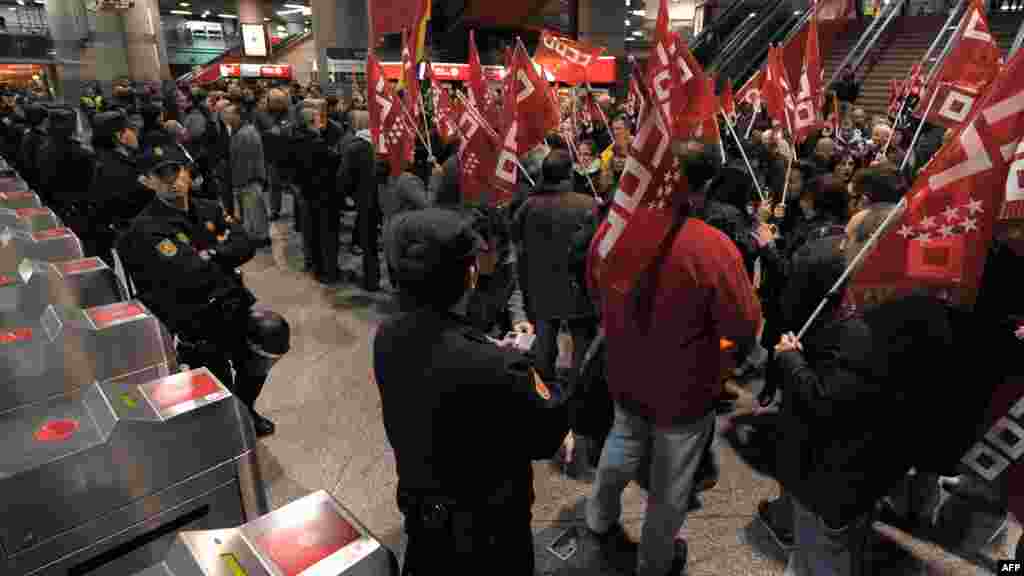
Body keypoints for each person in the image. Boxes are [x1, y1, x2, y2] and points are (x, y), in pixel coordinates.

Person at [585, 156, 762, 576]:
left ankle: (598, 516)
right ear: (701, 190)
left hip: (625, 369)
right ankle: (655, 562)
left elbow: (596, 292)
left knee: (622, 440)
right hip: (685, 387)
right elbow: (743, 324)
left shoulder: (612, 233)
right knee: (670, 482)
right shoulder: (712, 247)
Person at [374, 208, 568, 575]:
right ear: (470, 273)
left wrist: (492, 352)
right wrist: (528, 370)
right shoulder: (499, 368)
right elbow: (548, 435)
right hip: (490, 538)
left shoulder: (387, 337)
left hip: (424, 522)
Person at [117, 142, 288, 438]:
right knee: (217, 383)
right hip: (194, 319)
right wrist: (220, 251)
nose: (172, 181)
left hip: (232, 304)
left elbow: (244, 244)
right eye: (162, 176)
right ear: (148, 180)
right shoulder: (145, 228)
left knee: (271, 334)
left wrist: (212, 254)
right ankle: (231, 422)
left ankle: (244, 409)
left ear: (187, 173)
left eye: (177, 172)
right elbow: (189, 274)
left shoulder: (208, 207)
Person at [514, 149, 597, 381]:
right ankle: (578, 400)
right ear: (569, 174)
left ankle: (543, 402)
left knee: (543, 354)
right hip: (579, 291)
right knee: (582, 357)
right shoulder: (588, 205)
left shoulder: (527, 207)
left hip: (542, 290)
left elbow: (518, 247)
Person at [222, 101, 270, 246]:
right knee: (251, 212)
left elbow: (245, 163)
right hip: (247, 180)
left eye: (228, 114)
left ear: (237, 116)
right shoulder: (240, 131)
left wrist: (238, 184)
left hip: (249, 180)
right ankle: (256, 236)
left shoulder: (245, 134)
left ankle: (259, 238)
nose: (225, 117)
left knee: (254, 212)